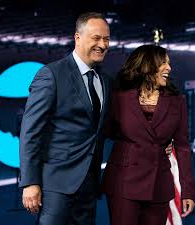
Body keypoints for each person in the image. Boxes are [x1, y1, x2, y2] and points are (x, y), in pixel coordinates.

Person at [19, 12, 111, 225]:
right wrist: (30, 183)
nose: (102, 44)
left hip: (89, 186)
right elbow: (30, 132)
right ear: (77, 38)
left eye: (106, 39)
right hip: (55, 187)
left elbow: (105, 128)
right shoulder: (51, 74)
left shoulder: (105, 81)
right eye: (96, 38)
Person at [102, 44, 195, 225]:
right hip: (124, 183)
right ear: (147, 66)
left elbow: (182, 147)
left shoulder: (177, 102)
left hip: (158, 185)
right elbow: (107, 132)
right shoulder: (119, 98)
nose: (169, 68)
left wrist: (188, 191)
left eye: (169, 63)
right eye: (164, 63)